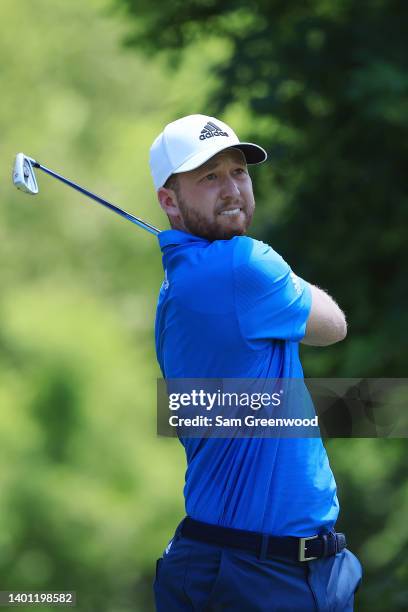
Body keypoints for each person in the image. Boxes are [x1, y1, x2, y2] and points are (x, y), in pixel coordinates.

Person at [149, 114, 362, 611]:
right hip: (252, 576)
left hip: (275, 568)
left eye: (238, 172)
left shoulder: (178, 286)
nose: (231, 190)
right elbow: (333, 325)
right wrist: (285, 280)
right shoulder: (243, 265)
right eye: (208, 177)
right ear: (168, 202)